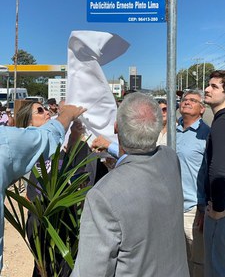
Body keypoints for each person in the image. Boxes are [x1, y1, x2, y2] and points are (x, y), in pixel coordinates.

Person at [70, 92, 189, 277]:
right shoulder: (170, 158)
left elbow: (91, 271)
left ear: (116, 128)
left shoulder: (102, 194)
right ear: (157, 128)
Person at [0, 103, 86, 273]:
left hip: (63, 216)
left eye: (46, 108)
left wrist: (74, 138)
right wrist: (67, 115)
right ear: (28, 125)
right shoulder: (23, 156)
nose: (47, 112)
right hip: (41, 218)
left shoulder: (55, 151)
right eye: (39, 110)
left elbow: (69, 168)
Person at [177, 89, 210, 277]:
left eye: (193, 100)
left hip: (193, 211)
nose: (186, 102)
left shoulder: (206, 135)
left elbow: (210, 174)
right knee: (179, 260)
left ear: (202, 108)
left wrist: (204, 209)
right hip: (172, 207)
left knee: (198, 262)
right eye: (184, 99)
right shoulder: (174, 131)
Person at [204, 70, 225, 277]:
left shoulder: (221, 123)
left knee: (216, 268)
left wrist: (219, 209)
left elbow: (219, 169)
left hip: (219, 215)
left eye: (214, 86)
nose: (207, 89)